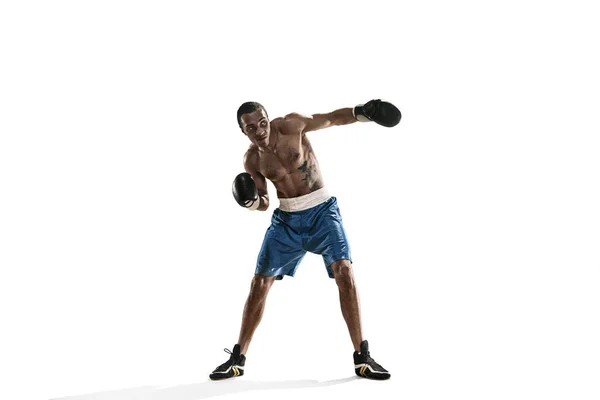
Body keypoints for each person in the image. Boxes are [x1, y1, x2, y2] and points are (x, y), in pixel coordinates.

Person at [209, 99, 401, 381]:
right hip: (286, 221)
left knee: (344, 271)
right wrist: (251, 203)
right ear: (243, 130)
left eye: (262, 122)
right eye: (251, 127)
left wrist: (363, 113)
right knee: (259, 282)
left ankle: (363, 358)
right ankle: (237, 359)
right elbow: (264, 201)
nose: (259, 129)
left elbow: (332, 118)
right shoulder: (252, 159)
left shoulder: (291, 125)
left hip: (322, 212)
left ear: (267, 117)